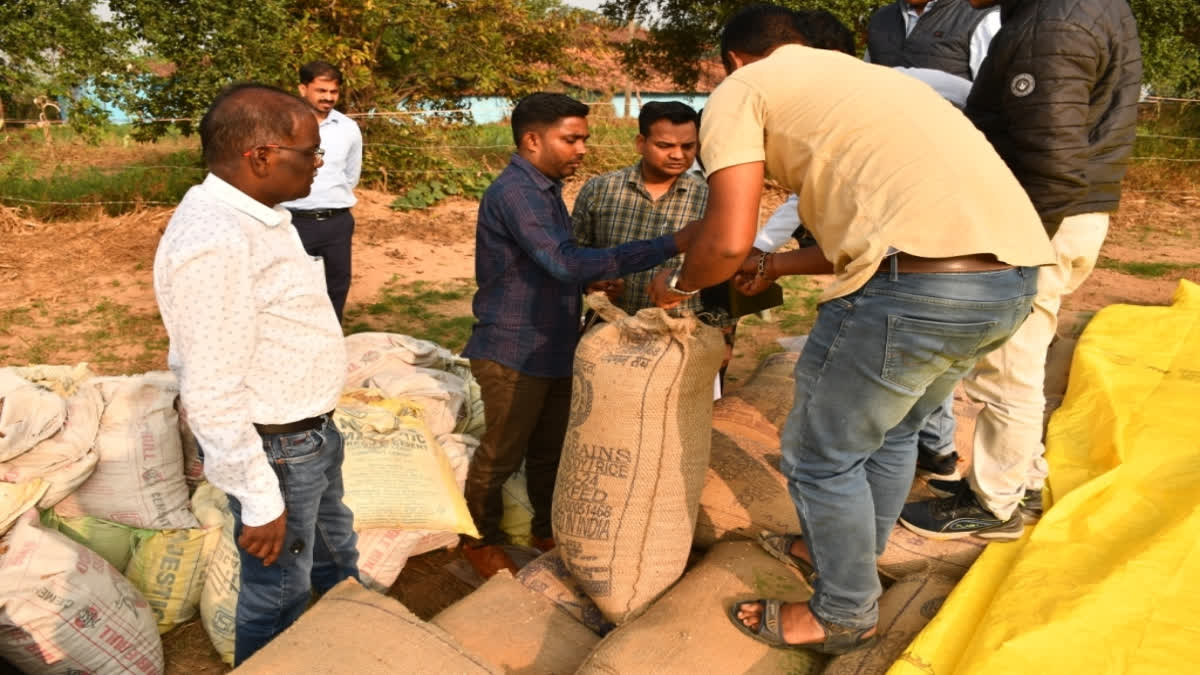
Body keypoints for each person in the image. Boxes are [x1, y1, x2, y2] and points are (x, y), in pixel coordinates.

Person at [647, 4, 1053, 654]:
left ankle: (843, 612)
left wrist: (678, 285)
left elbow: (725, 240)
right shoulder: (875, 85)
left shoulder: (742, 89)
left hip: (917, 289)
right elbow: (869, 231)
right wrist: (778, 263)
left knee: (818, 455)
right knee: (892, 433)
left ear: (734, 60)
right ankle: (849, 551)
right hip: (1009, 279)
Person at [899, 0, 1143, 539]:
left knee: (1008, 363)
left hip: (1043, 220)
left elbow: (1051, 157)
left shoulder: (1051, 25)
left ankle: (994, 503)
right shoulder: (1072, 11)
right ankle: (1021, 479)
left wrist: (1013, 249)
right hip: (1069, 213)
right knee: (1024, 354)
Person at [154, 83, 357, 665]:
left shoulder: (260, 215)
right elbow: (210, 387)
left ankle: (360, 640)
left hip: (309, 434)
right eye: (310, 152)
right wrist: (260, 498)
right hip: (280, 450)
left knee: (333, 553)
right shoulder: (215, 239)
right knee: (278, 595)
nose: (321, 163)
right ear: (261, 156)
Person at [460, 92, 695, 579]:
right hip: (513, 348)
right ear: (531, 140)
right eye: (571, 139)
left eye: (583, 139)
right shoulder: (516, 193)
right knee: (501, 453)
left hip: (551, 343)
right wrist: (669, 244)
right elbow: (563, 261)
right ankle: (477, 540)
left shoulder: (544, 189)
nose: (582, 149)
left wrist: (587, 282)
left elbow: (553, 263)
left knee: (550, 450)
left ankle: (546, 530)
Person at [280, 60, 362, 322]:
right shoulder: (283, 124)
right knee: (293, 289)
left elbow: (351, 175)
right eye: (321, 91)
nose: (328, 97)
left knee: (336, 287)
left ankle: (331, 345)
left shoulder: (348, 128)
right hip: (293, 222)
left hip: (337, 222)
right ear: (303, 89)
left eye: (333, 92)